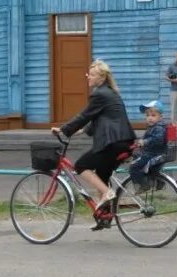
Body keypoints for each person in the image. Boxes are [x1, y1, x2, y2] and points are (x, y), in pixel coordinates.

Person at [51, 59, 135, 227]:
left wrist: (64, 130)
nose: (88, 76)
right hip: (123, 142)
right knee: (102, 176)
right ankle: (104, 217)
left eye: (92, 74)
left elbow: (85, 115)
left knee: (81, 166)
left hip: (113, 143)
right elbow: (99, 118)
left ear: (102, 77)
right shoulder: (110, 93)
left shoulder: (99, 94)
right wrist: (80, 131)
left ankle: (107, 193)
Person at [130, 99, 170, 192]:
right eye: (147, 115)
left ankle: (144, 185)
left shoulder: (159, 127)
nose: (150, 118)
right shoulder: (154, 127)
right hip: (151, 152)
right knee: (136, 156)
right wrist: (140, 142)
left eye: (153, 115)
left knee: (134, 167)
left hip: (153, 154)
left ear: (160, 117)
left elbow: (157, 139)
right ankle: (157, 181)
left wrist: (145, 142)